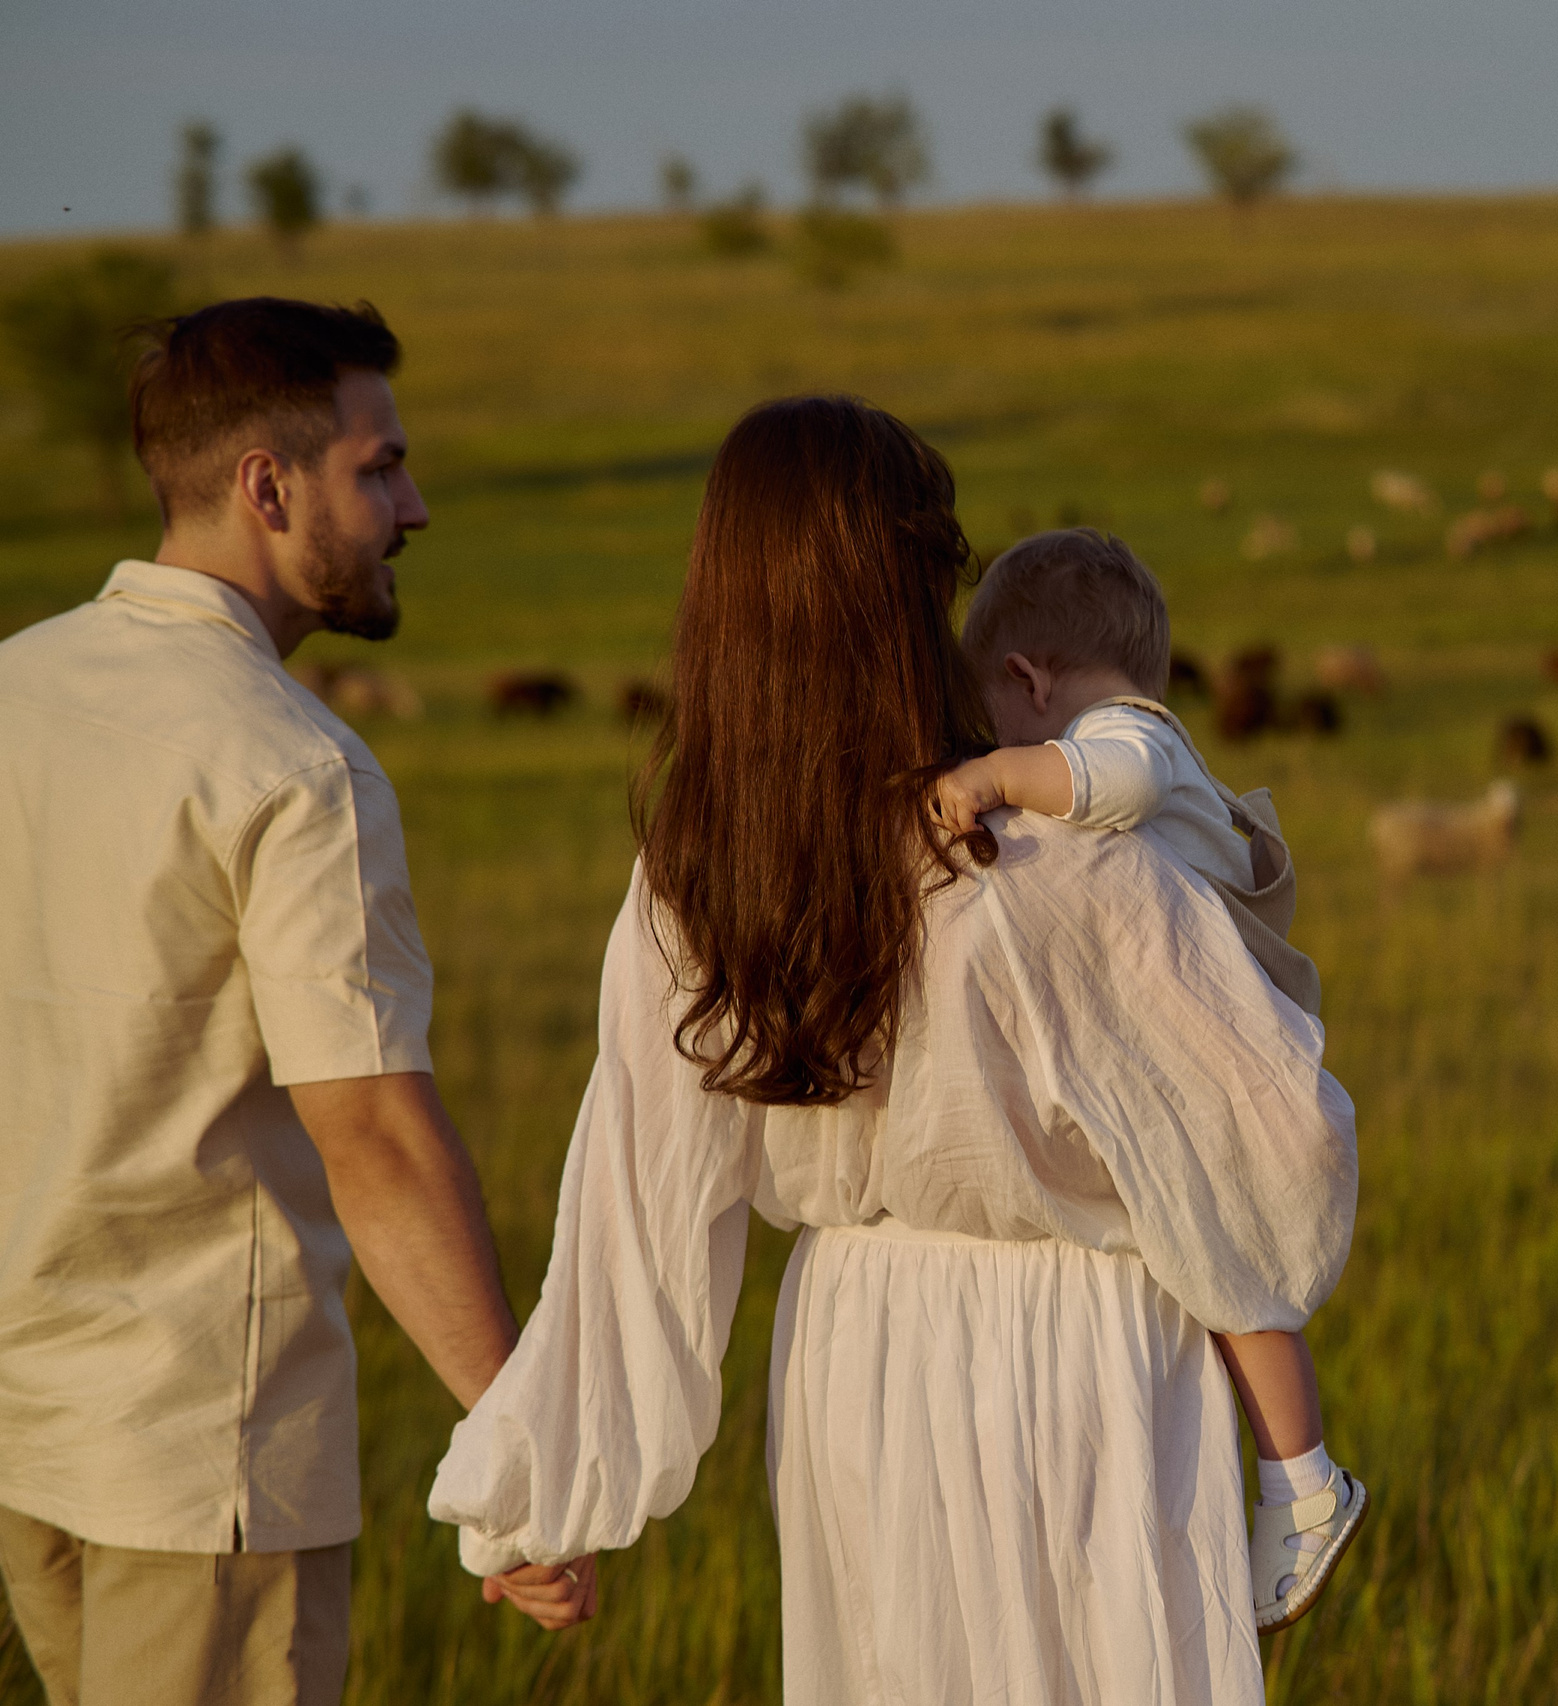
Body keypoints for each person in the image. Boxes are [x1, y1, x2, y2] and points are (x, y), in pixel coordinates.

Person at [428, 395, 1358, 1703]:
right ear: (906, 596)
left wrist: (536, 1492)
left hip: (857, 1362)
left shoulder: (700, 871)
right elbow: (1279, 1140)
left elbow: (635, 1206)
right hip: (1082, 1359)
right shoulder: (1051, 852)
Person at [0, 297, 570, 1706]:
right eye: (379, 468)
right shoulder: (294, 766)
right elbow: (371, 1132)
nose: (415, 505)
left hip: (27, 1430)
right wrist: (523, 1445)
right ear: (269, 483)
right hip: (203, 1456)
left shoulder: (19, 685)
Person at [930, 528, 1365, 1632]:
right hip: (1206, 1053)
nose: (1005, 748)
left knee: (1238, 1274)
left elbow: (1101, 784)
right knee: (1218, 1270)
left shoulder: (1134, 737)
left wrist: (990, 774)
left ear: (1031, 680)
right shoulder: (1142, 736)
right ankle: (1288, 1477)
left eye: (1002, 718)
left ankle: (1306, 1482)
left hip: (1221, 1065)